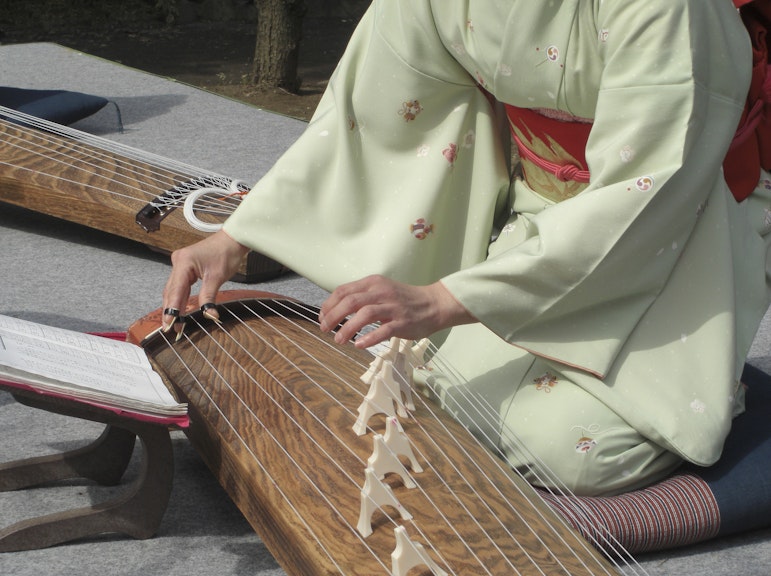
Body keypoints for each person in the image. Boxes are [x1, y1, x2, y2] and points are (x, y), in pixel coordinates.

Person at [162, 0, 771, 497]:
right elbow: (368, 110)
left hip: (685, 226)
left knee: (567, 452)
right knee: (437, 395)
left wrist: (444, 299)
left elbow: (653, 186)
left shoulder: (671, 7)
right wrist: (237, 238)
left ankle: (711, 378)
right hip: (537, 213)